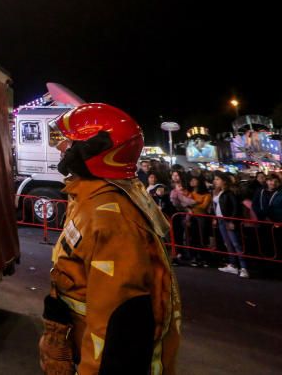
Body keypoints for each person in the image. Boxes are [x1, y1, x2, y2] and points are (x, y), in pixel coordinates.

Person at [38, 103, 180, 375]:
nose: (60, 148)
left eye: (68, 142)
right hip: (74, 349)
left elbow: (113, 328)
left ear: (95, 151)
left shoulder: (111, 219)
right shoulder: (89, 198)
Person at [210, 172, 249, 277]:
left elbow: (236, 207)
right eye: (215, 179)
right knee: (228, 243)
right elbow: (216, 206)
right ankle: (233, 265)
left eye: (217, 179)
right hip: (221, 220)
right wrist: (215, 217)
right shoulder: (219, 191)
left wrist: (232, 221)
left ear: (224, 181)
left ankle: (244, 267)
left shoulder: (230, 192)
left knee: (236, 243)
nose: (215, 181)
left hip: (228, 220)